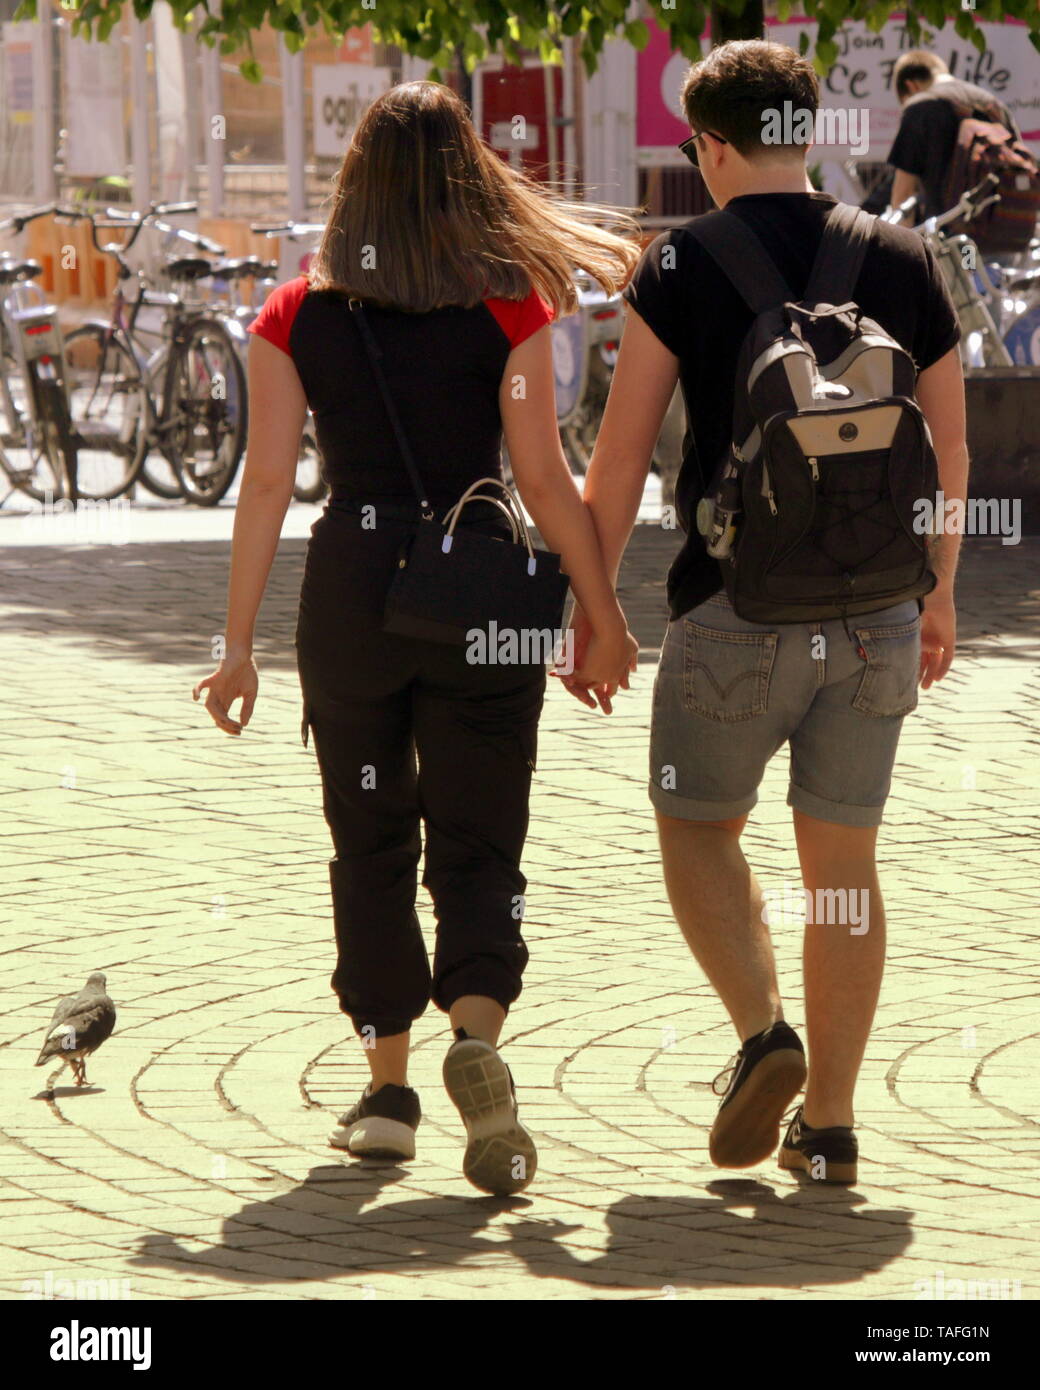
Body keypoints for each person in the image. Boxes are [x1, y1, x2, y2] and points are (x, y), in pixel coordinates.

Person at [192, 81, 640, 1196]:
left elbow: (263, 489)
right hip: (479, 591)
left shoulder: (292, 315)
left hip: (350, 592)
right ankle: (476, 1035)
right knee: (482, 841)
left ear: (353, 189)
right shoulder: (513, 309)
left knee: (369, 836)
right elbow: (541, 475)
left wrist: (237, 644)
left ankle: (387, 1092)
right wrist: (600, 611)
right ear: (467, 183)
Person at [563, 40, 967, 1184]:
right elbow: (948, 442)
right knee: (841, 865)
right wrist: (937, 589)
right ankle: (829, 1124)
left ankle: (761, 1032)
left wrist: (595, 613)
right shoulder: (899, 254)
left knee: (697, 829)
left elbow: (617, 465)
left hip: (729, 610)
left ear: (710, 145)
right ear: (807, 134)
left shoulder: (678, 264)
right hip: (879, 612)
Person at [886, 49, 1021, 222]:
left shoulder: (919, 108)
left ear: (911, 86)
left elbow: (903, 194)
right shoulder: (993, 104)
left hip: (949, 238)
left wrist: (901, 246)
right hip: (1007, 230)